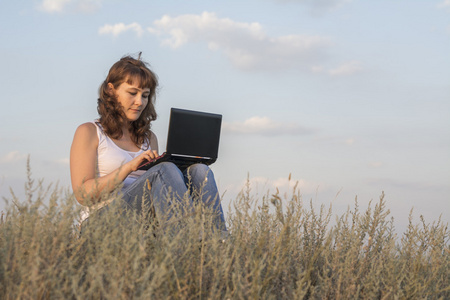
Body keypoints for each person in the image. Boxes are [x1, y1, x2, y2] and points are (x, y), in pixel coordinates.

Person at [70, 53, 227, 235]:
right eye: (132, 93)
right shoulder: (89, 131)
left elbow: (159, 193)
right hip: (100, 222)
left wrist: (184, 167)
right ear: (111, 90)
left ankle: (219, 242)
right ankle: (188, 241)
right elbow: (83, 195)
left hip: (141, 221)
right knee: (164, 169)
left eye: (145, 95)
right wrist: (129, 167)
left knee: (200, 171)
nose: (140, 102)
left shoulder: (148, 138)